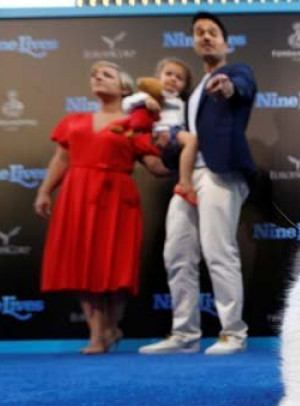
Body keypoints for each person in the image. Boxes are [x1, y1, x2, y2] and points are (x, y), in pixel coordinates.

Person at [139, 11, 257, 355]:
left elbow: (242, 89)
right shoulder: (188, 96)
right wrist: (168, 150)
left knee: (218, 251)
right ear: (193, 42)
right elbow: (186, 138)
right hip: (188, 179)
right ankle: (185, 334)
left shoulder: (237, 72)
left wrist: (229, 87)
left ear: (226, 42)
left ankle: (233, 334)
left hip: (221, 174)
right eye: (199, 32)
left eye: (212, 32)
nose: (205, 36)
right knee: (176, 253)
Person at [34, 61, 169, 354]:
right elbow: (61, 160)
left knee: (115, 265)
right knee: (84, 264)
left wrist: (167, 148)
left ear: (124, 88)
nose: (97, 77)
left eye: (106, 74)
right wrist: (45, 191)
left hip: (118, 199)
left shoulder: (136, 124)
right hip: (77, 195)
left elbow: (155, 166)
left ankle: (110, 327)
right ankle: (97, 334)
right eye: (94, 74)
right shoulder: (74, 120)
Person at [123, 57, 199, 206]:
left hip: (177, 134)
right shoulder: (152, 95)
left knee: (190, 144)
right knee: (191, 141)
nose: (173, 79)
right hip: (160, 133)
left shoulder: (184, 102)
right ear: (159, 77)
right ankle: (185, 183)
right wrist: (145, 99)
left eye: (179, 78)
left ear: (185, 86)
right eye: (168, 74)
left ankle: (182, 177)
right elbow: (125, 104)